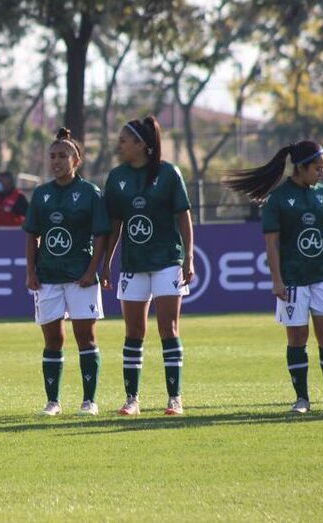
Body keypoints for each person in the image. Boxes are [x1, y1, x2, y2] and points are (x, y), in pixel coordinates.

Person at [223, 140, 323, 413]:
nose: (321, 172)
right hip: (293, 279)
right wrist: (277, 280)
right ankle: (302, 399)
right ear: (301, 167)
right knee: (297, 338)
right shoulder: (278, 199)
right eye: (318, 168)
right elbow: (272, 244)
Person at [103, 115, 194, 416]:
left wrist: (189, 258)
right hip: (133, 263)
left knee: (168, 328)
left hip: (168, 260)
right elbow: (115, 225)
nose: (120, 144)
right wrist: (107, 263)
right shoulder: (117, 177)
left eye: (124, 140)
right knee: (134, 331)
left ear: (141, 145)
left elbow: (184, 217)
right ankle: (132, 400)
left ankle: (174, 399)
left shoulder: (169, 174)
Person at [24, 128, 111, 416]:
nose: (56, 161)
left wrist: (92, 270)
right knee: (53, 340)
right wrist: (31, 271)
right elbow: (32, 235)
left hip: (80, 278)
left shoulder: (90, 193)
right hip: (48, 276)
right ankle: (53, 402)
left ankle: (89, 401)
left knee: (85, 338)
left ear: (77, 160)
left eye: (63, 155)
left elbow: (101, 235)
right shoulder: (41, 194)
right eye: (52, 156)